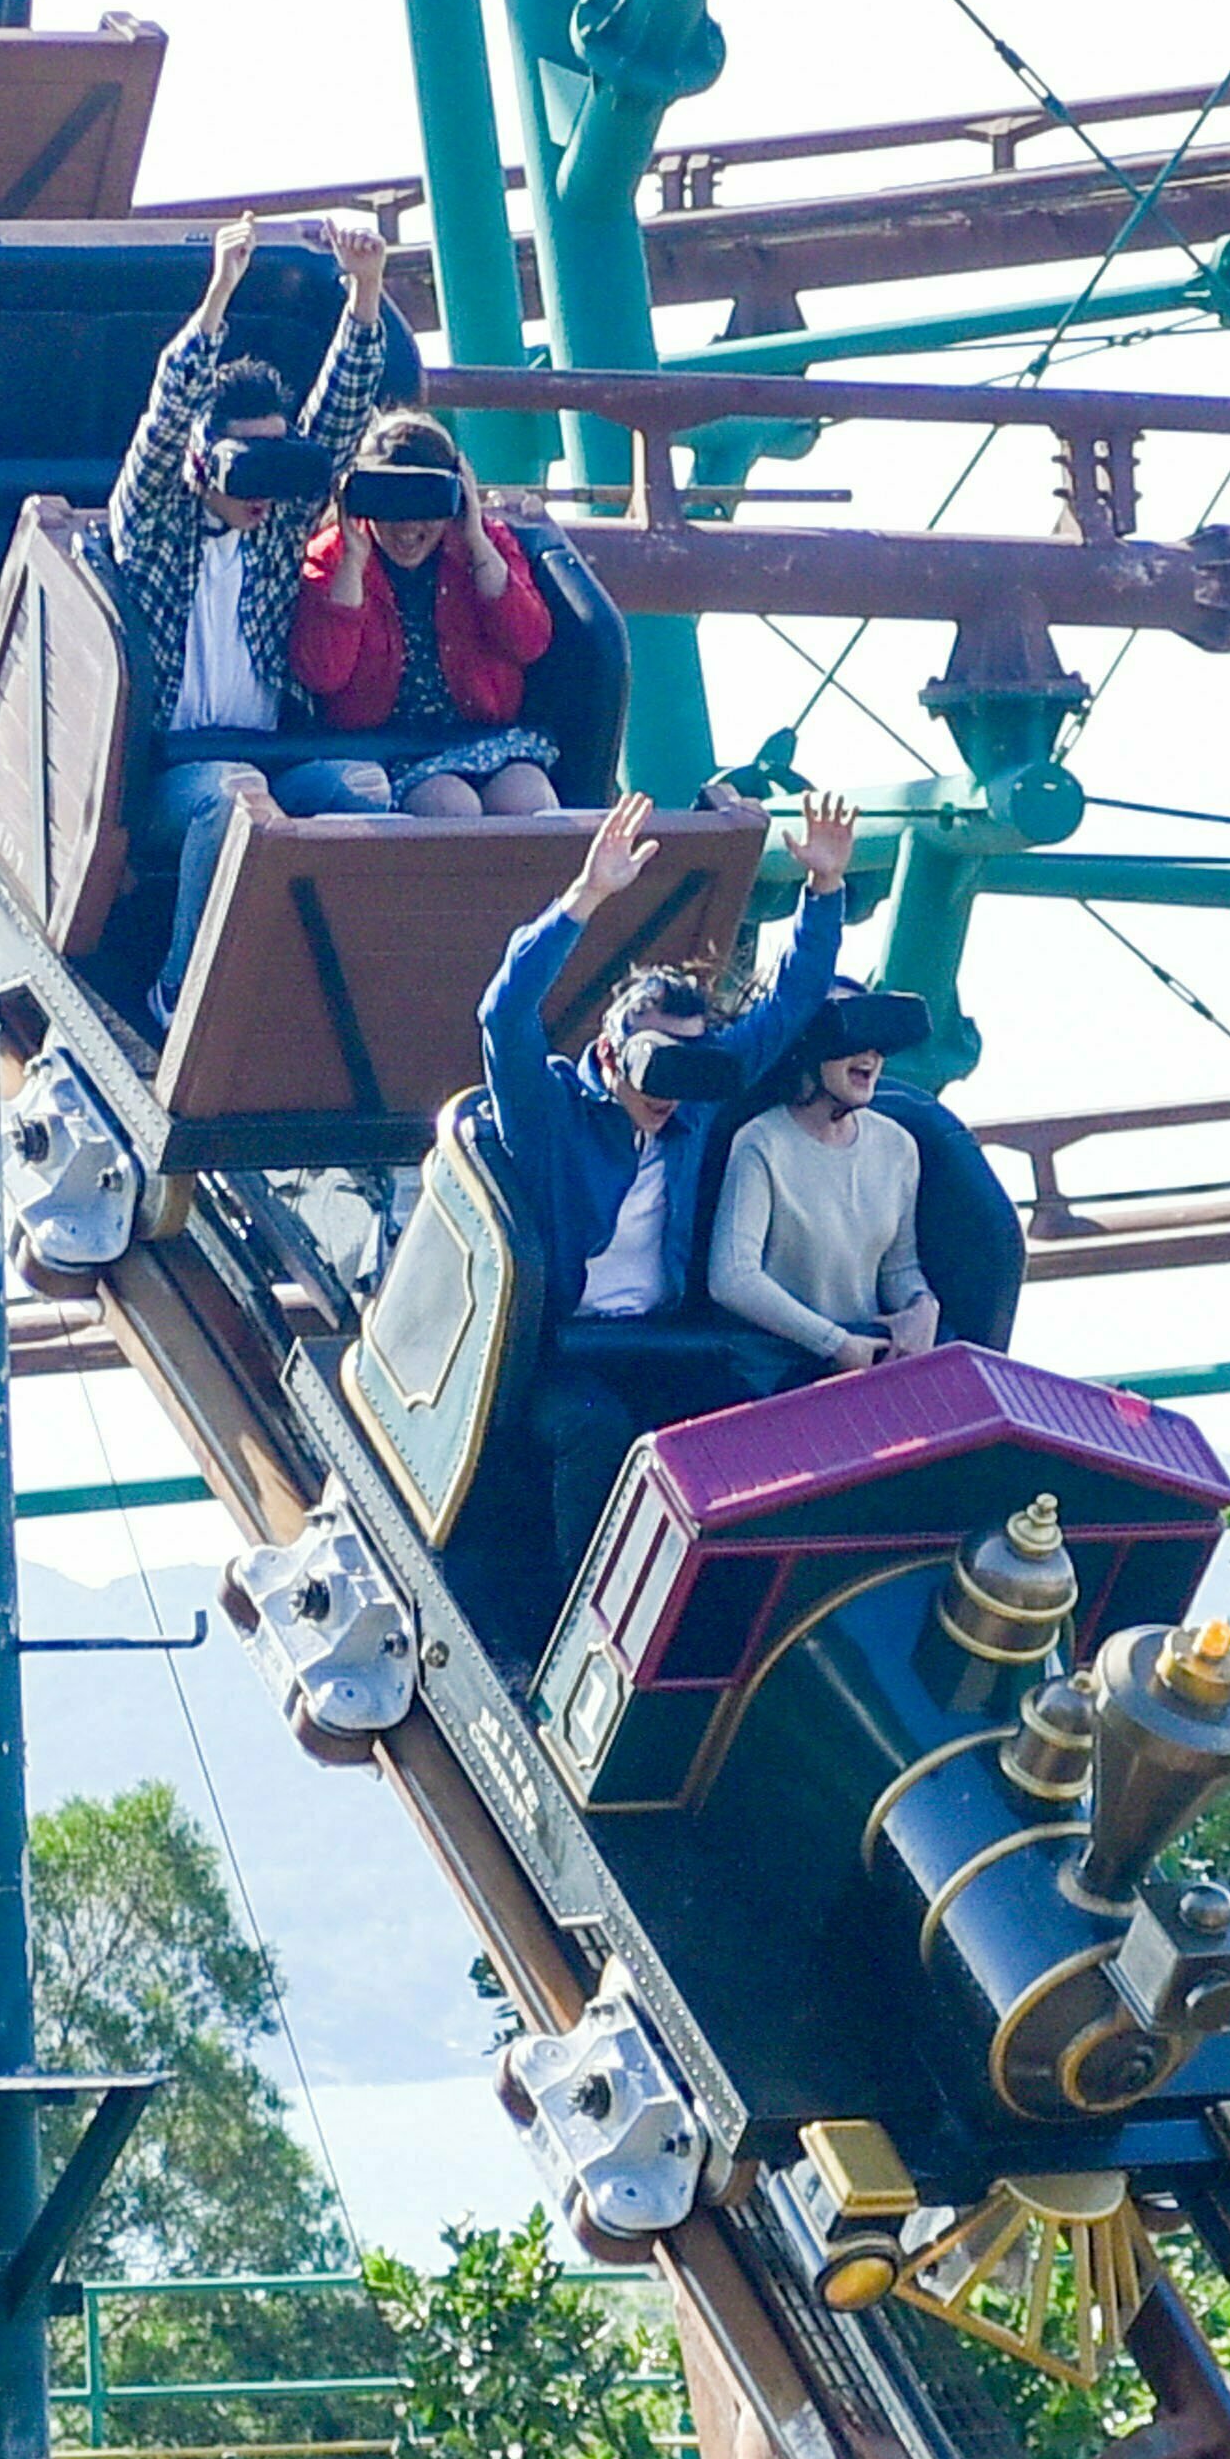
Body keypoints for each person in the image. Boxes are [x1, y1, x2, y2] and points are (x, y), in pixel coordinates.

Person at [482, 787, 861, 1584]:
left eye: (688, 1070)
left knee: (761, 1411)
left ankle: (747, 1598)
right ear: (613, 1058)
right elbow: (504, 1016)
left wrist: (823, 890)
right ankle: (578, 1613)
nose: (671, 1091)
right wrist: (586, 898)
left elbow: (788, 1006)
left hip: (661, 1337)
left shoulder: (694, 1102)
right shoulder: (553, 1115)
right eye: (657, 1067)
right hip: (557, 1354)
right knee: (597, 1431)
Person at [102, 214, 397, 1024]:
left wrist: (364, 295)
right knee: (228, 798)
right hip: (169, 778)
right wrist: (218, 295)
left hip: (270, 762)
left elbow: (338, 422)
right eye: (250, 465)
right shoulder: (158, 523)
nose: (267, 489)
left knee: (365, 792)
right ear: (208, 464)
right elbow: (163, 428)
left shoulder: (274, 534)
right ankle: (181, 992)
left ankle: (363, 994)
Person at [291, 411, 563, 819]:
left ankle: (564, 885)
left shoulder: (484, 544)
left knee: (528, 799)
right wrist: (351, 565)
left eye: (426, 501)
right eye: (389, 504)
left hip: (483, 735)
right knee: (452, 807)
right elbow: (323, 674)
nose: (407, 527)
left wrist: (475, 541)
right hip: (385, 748)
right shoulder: (334, 555)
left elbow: (529, 642)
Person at [708, 982, 944, 1382]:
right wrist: (835, 1343)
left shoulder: (897, 1145)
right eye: (852, 1033)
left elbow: (897, 1266)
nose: (870, 1052)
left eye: (877, 1037)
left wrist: (922, 1307)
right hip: (783, 1371)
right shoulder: (761, 1142)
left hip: (870, 1367)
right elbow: (732, 1277)